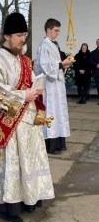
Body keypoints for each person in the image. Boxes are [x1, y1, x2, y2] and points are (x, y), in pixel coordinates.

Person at [0, 12, 54, 222]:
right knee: (11, 164)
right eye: (19, 35)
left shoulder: (23, 59)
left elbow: (30, 82)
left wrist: (36, 89)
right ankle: (6, 207)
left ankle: (26, 199)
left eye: (24, 34)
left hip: (28, 121)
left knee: (29, 161)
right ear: (6, 36)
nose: (23, 39)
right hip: (10, 123)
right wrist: (24, 95)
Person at [34, 18, 72, 154]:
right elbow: (44, 67)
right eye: (56, 30)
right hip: (49, 86)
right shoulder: (44, 45)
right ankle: (51, 144)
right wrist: (61, 64)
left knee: (59, 112)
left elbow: (56, 65)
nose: (57, 33)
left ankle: (59, 141)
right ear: (48, 30)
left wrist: (64, 65)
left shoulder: (53, 45)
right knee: (51, 112)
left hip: (57, 85)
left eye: (58, 31)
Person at [90, 39, 99, 104]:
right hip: (97, 72)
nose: (98, 43)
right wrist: (96, 64)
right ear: (96, 43)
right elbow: (91, 61)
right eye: (97, 42)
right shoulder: (93, 52)